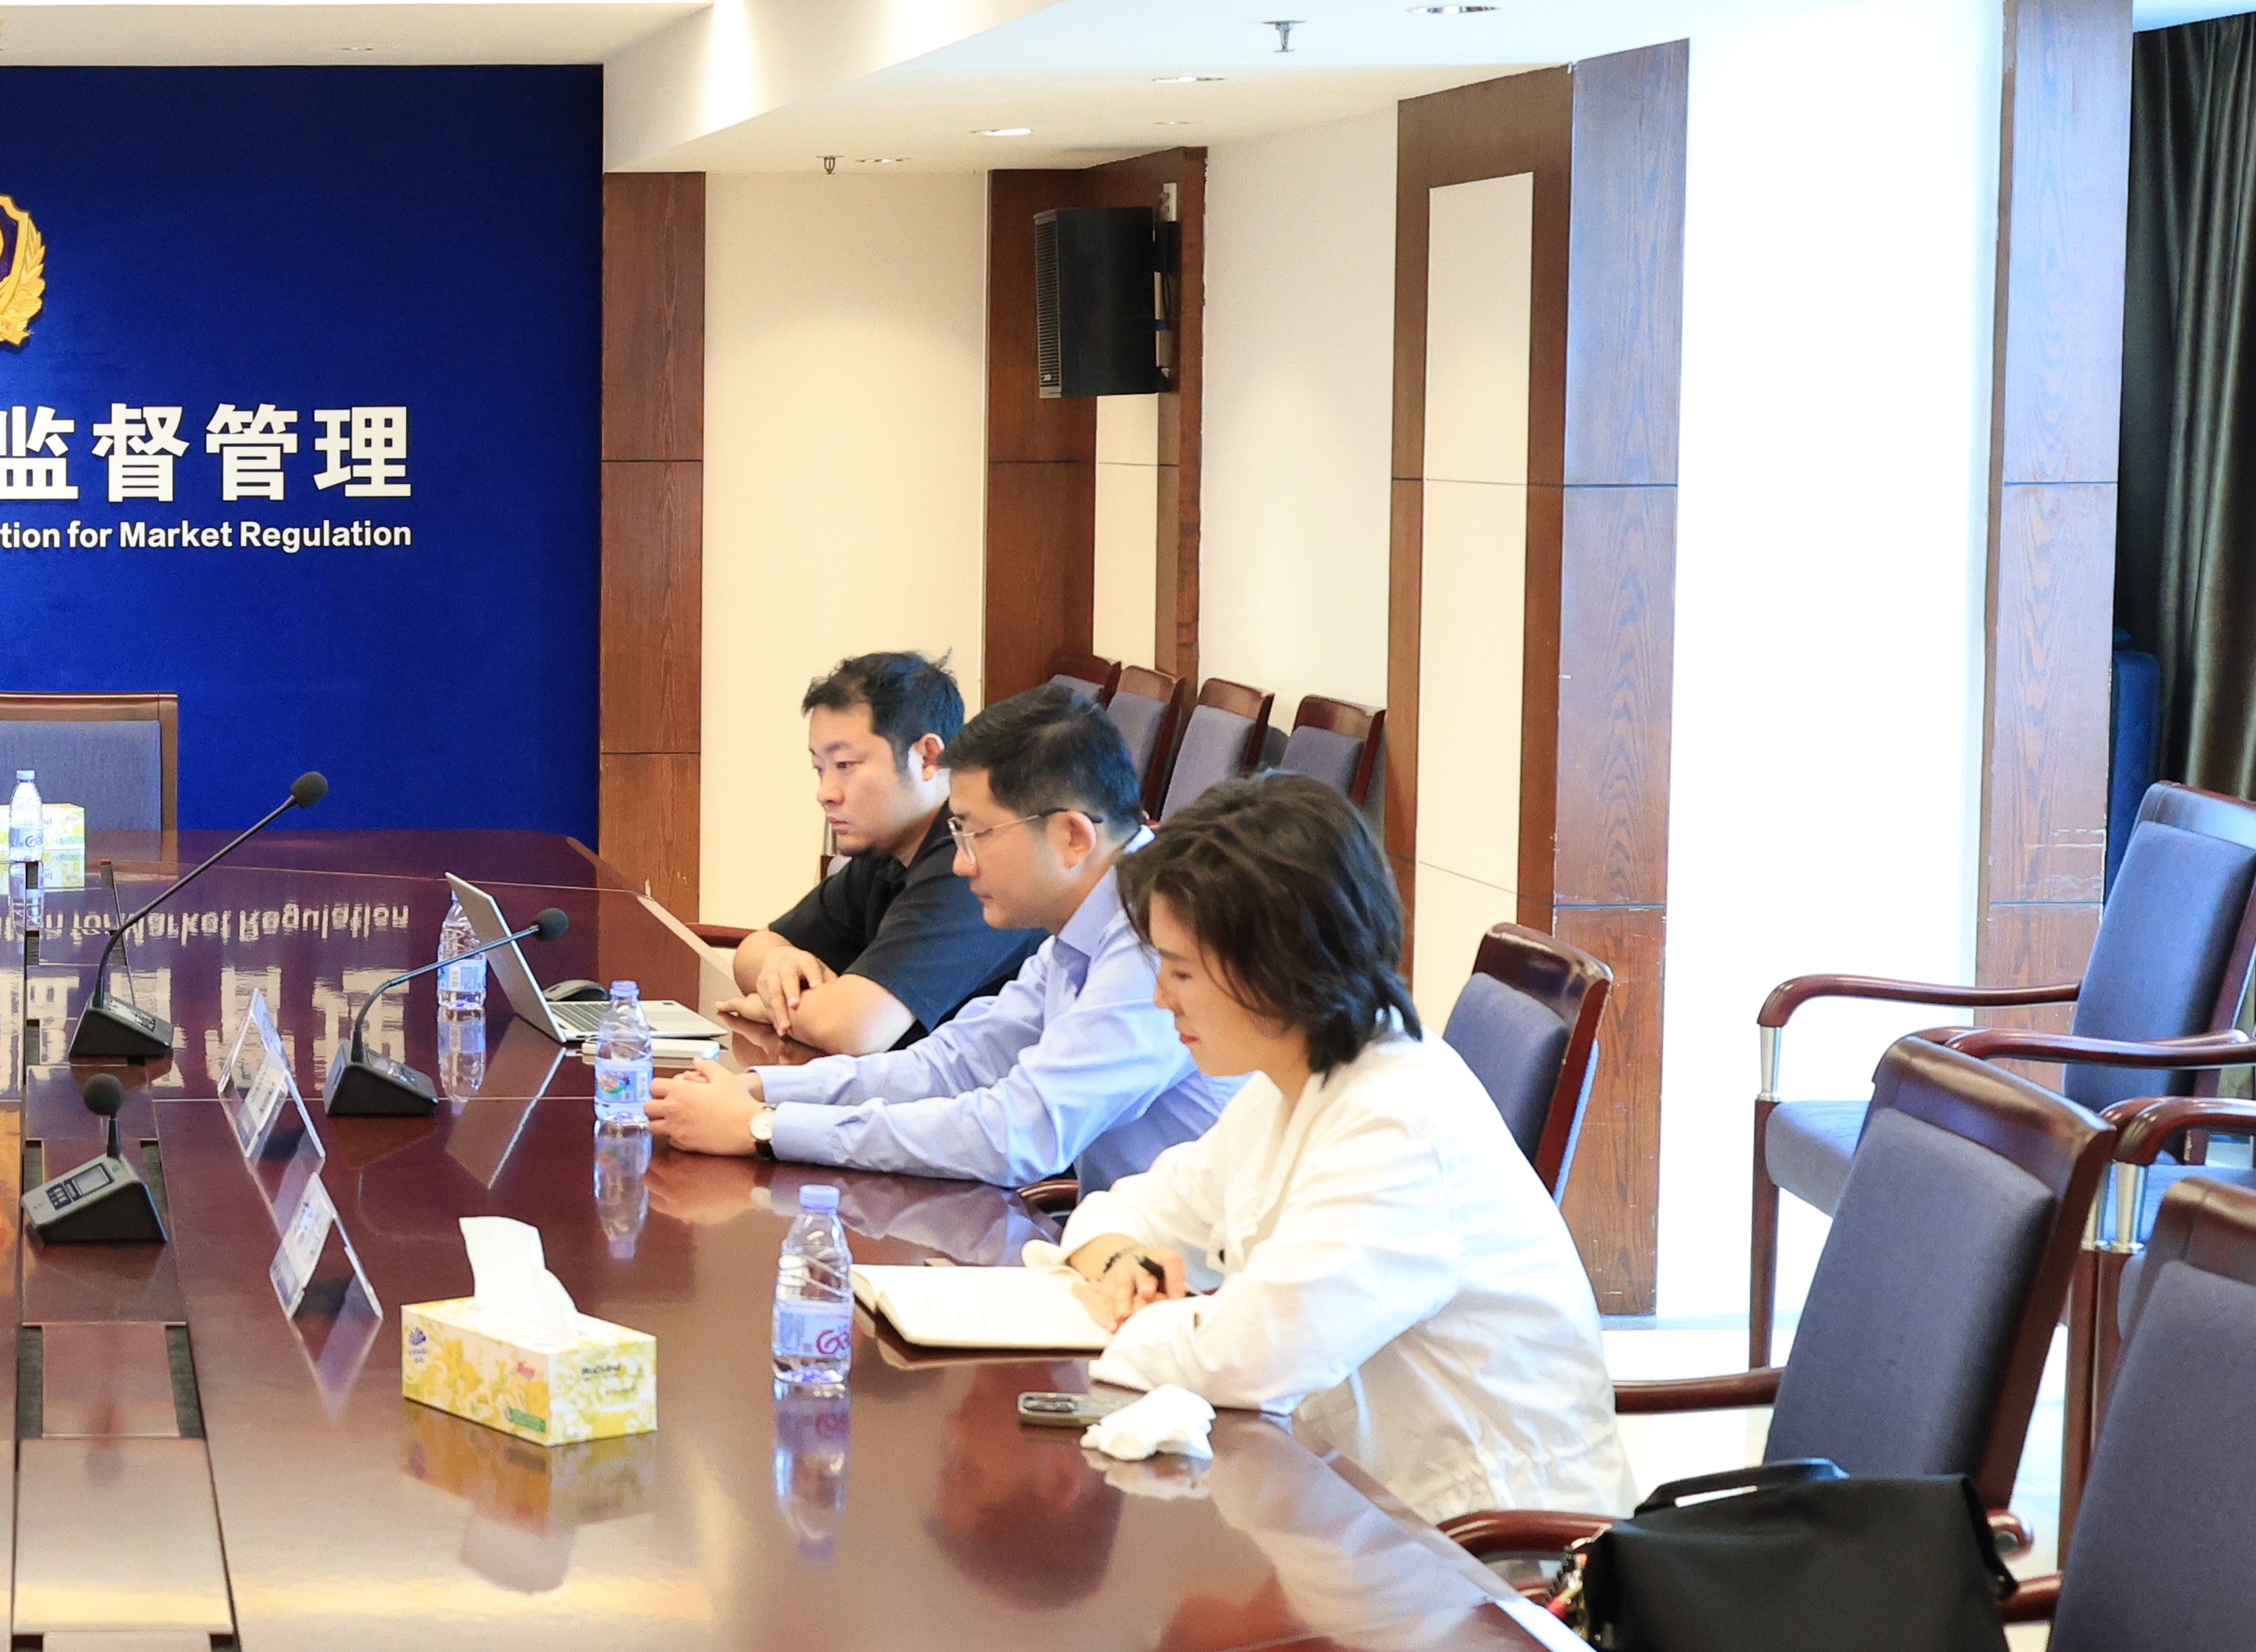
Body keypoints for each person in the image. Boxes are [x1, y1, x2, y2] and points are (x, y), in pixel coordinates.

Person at [1051, 773, 1631, 1527]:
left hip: (1491, 1555)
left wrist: (1138, 1320)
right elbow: (1122, 1209)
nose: (1162, 997)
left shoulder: (1398, 1124)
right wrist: (1124, 1265)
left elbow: (1249, 1357)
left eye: (1182, 970)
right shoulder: (1288, 1085)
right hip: (1355, 1508)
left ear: (1277, 966)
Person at [651, 685, 1227, 1189]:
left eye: (976, 834)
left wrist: (766, 1128)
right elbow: (951, 1065)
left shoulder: (1159, 941)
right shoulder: (1081, 927)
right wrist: (760, 1089)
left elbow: (1017, 1134)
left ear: (1072, 837)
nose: (960, 864)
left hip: (1184, 1270)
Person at [721, 651, 1035, 1054]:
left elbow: (853, 1029)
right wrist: (778, 964)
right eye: (820, 768)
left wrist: (771, 1007)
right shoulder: (887, 848)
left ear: (928, 756)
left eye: (845, 764)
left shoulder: (970, 860)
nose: (825, 793)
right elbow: (756, 949)